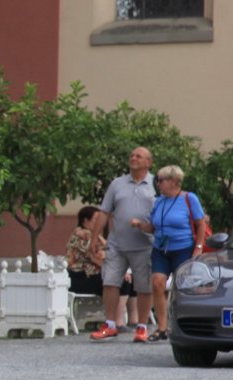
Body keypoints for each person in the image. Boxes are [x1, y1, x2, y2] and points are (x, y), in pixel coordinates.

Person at [88, 146, 156, 341]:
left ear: (148, 162)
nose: (133, 158)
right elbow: (104, 212)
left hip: (144, 245)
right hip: (116, 244)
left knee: (144, 287)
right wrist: (94, 238)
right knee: (109, 282)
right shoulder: (116, 184)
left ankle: (141, 327)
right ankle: (110, 324)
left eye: (138, 156)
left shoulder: (156, 184)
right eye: (131, 155)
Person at [145, 164, 208, 341]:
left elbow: (201, 224)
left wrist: (198, 247)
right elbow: (152, 226)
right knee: (157, 283)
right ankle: (162, 327)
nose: (158, 184)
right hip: (161, 249)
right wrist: (138, 225)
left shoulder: (189, 198)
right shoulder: (159, 201)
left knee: (182, 287)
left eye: (161, 180)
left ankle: (184, 325)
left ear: (173, 182)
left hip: (183, 248)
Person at [64, 205, 105, 295]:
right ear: (86, 220)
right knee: (120, 283)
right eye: (96, 219)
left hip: (93, 275)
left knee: (128, 282)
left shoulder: (93, 234)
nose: (99, 222)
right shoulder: (83, 234)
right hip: (82, 277)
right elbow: (97, 257)